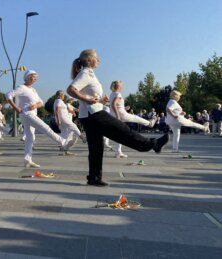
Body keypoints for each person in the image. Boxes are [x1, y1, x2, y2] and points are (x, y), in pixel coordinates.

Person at [66, 49, 169, 186]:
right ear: (89, 60)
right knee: (123, 131)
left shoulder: (88, 74)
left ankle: (94, 177)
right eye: (97, 58)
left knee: (96, 147)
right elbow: (71, 90)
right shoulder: (86, 73)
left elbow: (86, 95)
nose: (99, 60)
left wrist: (99, 100)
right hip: (94, 115)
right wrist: (87, 99)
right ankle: (153, 144)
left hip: (89, 115)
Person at [6, 70, 75, 168]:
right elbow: (8, 95)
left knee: (29, 138)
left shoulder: (33, 90)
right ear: (27, 77)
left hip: (31, 113)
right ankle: (64, 142)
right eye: (33, 77)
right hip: (27, 114)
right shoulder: (21, 88)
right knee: (45, 127)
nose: (35, 79)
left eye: (36, 77)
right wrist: (16, 108)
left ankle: (27, 160)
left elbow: (41, 102)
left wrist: (35, 105)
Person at [109, 80, 157, 158]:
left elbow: (115, 105)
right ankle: (149, 123)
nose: (122, 87)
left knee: (119, 134)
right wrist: (118, 115)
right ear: (119, 87)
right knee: (136, 118)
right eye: (122, 86)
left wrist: (124, 108)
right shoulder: (118, 94)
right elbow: (113, 104)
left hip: (114, 115)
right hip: (121, 115)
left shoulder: (112, 94)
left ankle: (118, 152)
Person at [53, 90, 85, 155]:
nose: (64, 96)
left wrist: (58, 120)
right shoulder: (59, 101)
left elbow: (60, 110)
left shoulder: (57, 101)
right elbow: (57, 110)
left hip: (62, 119)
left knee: (64, 134)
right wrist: (58, 120)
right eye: (63, 95)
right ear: (60, 95)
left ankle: (65, 149)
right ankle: (82, 138)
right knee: (74, 126)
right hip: (64, 119)